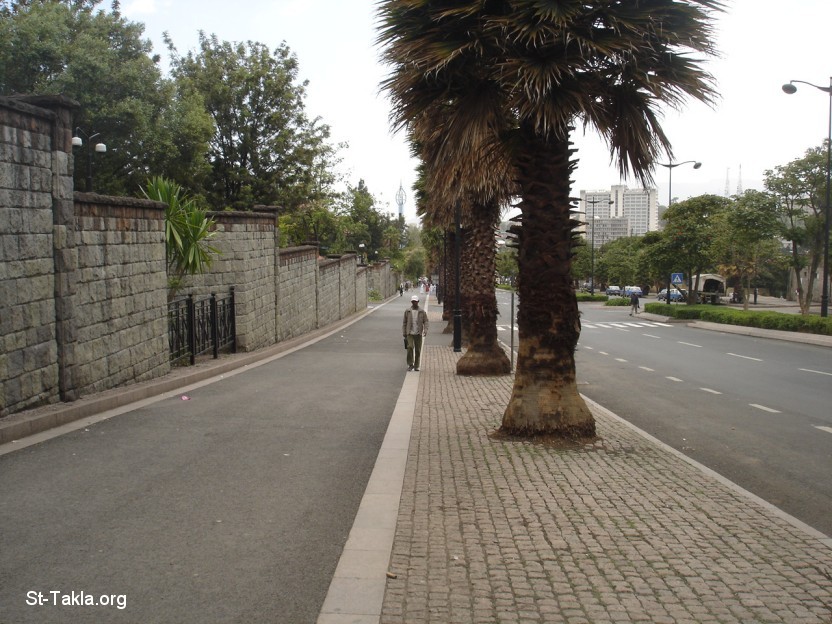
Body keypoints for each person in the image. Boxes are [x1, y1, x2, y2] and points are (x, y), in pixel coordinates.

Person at [402, 295, 429, 371]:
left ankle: (416, 365)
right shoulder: (407, 311)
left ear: (418, 302)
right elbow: (404, 322)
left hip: (418, 333)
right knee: (410, 347)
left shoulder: (422, 312)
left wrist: (425, 330)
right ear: (411, 302)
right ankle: (410, 364)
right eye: (413, 301)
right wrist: (404, 332)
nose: (414, 303)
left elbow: (426, 321)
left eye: (415, 301)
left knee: (418, 350)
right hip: (409, 333)